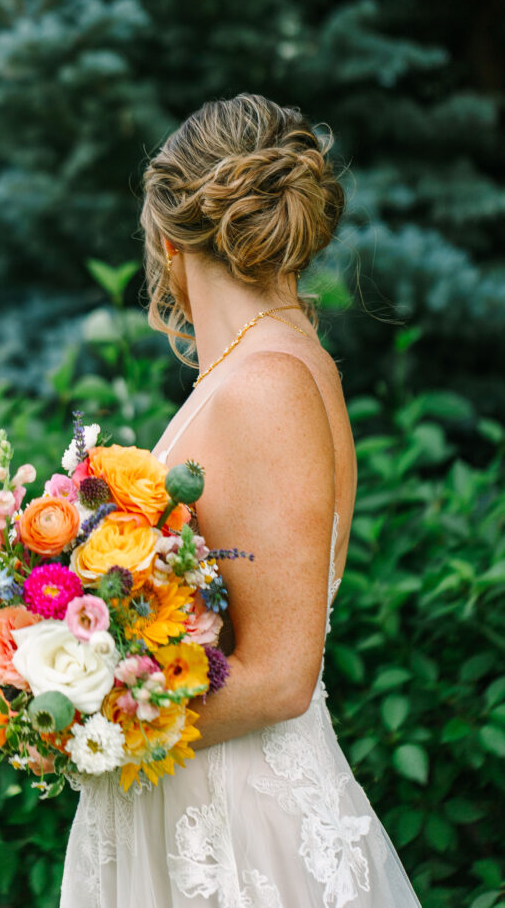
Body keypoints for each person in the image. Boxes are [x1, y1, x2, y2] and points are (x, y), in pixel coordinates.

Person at [59, 93, 422, 907]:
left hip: (235, 836)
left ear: (165, 238)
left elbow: (278, 678)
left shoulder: (267, 384)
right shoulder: (265, 365)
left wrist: (81, 721)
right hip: (192, 803)